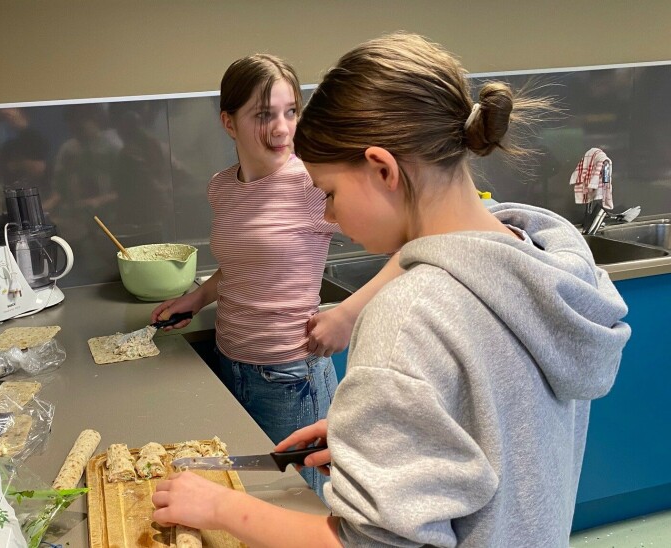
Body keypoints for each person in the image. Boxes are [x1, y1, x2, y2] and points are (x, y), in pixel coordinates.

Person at [152, 33, 630, 547]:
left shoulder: (407, 318)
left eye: (330, 193)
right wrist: (393, 432)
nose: (328, 215)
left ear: (382, 168)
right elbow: (494, 432)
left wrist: (222, 506)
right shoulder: (541, 263)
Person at [150, 54, 347, 497]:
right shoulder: (223, 186)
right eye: (263, 115)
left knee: (302, 502)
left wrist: (349, 312)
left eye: (290, 111)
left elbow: (413, 248)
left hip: (291, 377)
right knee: (254, 498)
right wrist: (198, 297)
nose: (282, 128)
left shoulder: (314, 185)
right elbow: (244, 263)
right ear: (228, 121)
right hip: (231, 361)